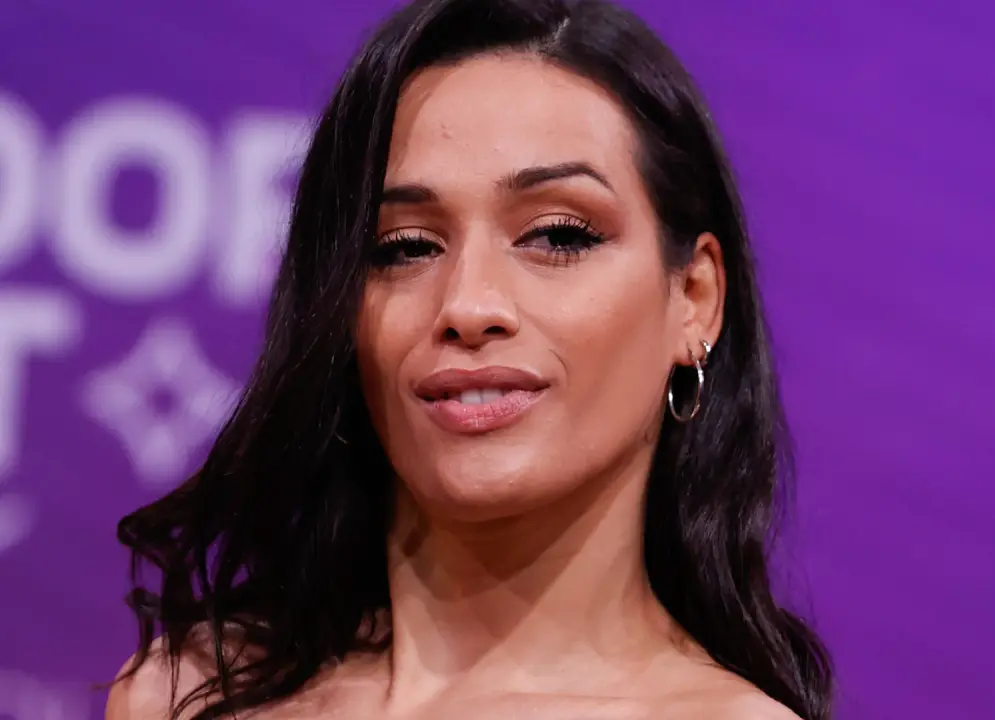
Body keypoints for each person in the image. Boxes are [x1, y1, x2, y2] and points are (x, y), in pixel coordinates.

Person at [105, 0, 834, 717]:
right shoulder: (183, 699)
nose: (467, 304)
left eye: (559, 235)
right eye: (405, 247)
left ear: (695, 298)